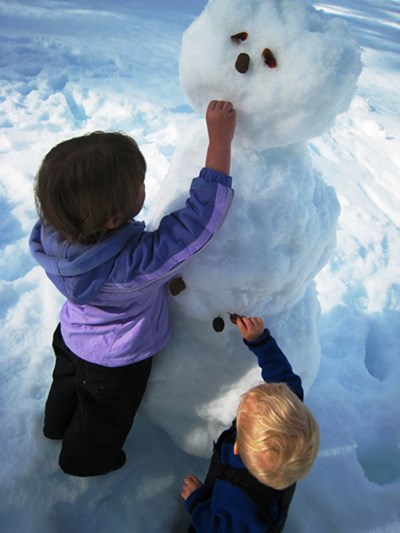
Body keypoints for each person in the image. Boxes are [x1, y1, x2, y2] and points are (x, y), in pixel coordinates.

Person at [29, 100, 236, 477]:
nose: (145, 187)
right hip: (116, 363)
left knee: (67, 383)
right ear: (111, 220)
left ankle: (55, 424)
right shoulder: (133, 265)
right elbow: (198, 225)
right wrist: (220, 142)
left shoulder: (53, 233)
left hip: (72, 335)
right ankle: (84, 461)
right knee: (102, 419)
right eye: (139, 186)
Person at [181, 315, 320, 532]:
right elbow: (284, 379)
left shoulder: (242, 506)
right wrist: (260, 341)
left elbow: (216, 528)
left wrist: (197, 501)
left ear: (237, 447)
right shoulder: (288, 414)